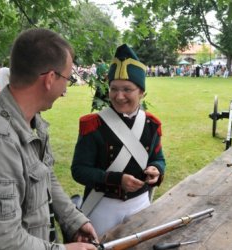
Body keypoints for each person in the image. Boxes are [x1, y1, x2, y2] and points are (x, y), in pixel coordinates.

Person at [0, 28, 98, 250]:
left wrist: (73, 219)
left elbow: (45, 176)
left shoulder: (27, 119)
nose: (65, 89)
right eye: (67, 78)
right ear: (50, 79)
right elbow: (1, 241)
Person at [71, 44, 166, 236]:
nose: (119, 96)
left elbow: (158, 158)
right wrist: (116, 180)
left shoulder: (151, 125)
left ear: (142, 92)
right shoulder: (93, 125)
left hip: (140, 203)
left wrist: (157, 170)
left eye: (127, 89)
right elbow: (79, 171)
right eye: (114, 88)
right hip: (102, 205)